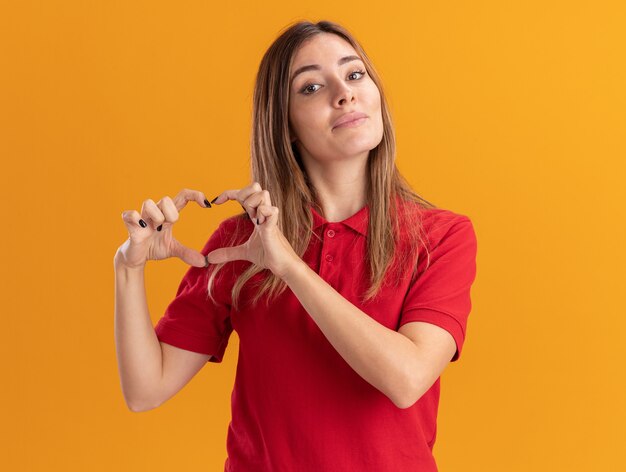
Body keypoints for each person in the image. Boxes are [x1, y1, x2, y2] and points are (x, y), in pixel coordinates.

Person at [114, 19, 478, 472]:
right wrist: (128, 270)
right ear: (284, 124)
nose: (343, 93)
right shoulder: (239, 242)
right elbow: (146, 390)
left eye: (354, 74)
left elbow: (406, 379)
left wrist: (288, 266)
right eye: (310, 87)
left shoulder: (441, 237)